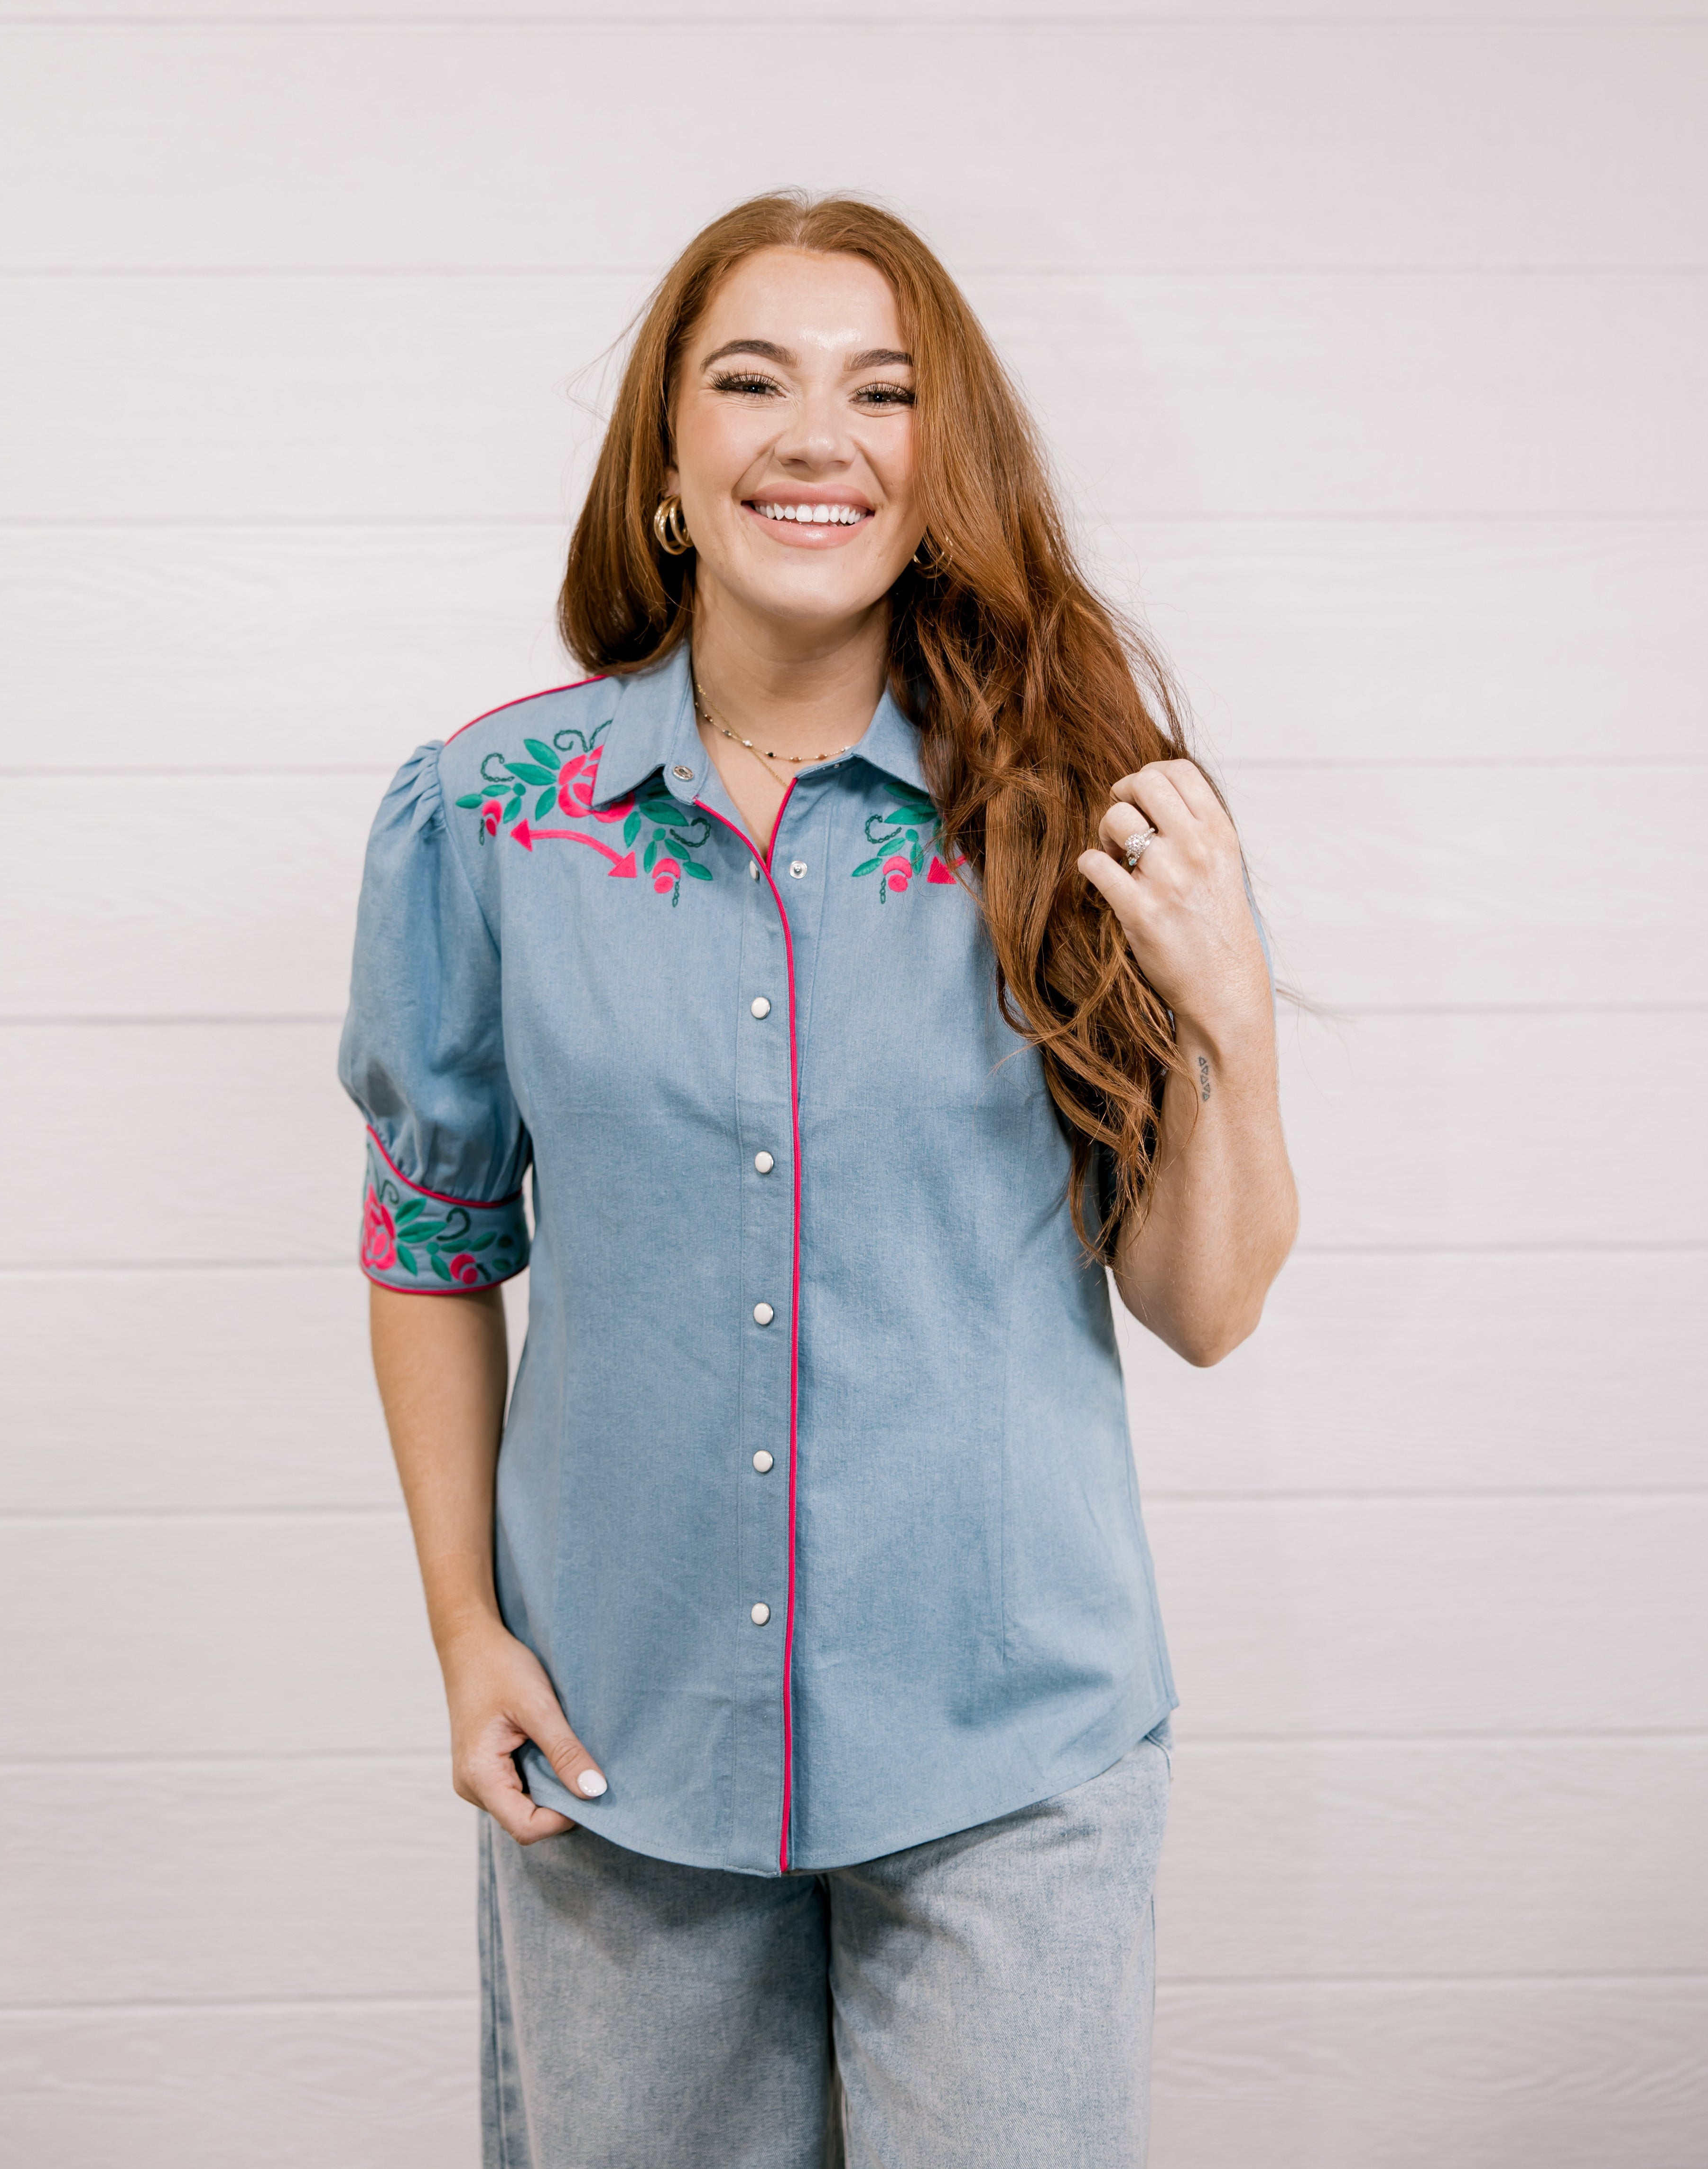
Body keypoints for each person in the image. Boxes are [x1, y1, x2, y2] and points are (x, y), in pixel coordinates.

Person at [339, 190, 1297, 2169]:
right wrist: (463, 1631)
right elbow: (433, 1242)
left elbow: (1203, 1307)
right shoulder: (489, 819)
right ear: (668, 459)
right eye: (751, 380)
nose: (816, 436)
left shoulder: (1073, 803)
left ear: (940, 469)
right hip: (620, 1741)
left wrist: (1234, 1022)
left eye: (884, 390)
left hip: (1011, 1752)